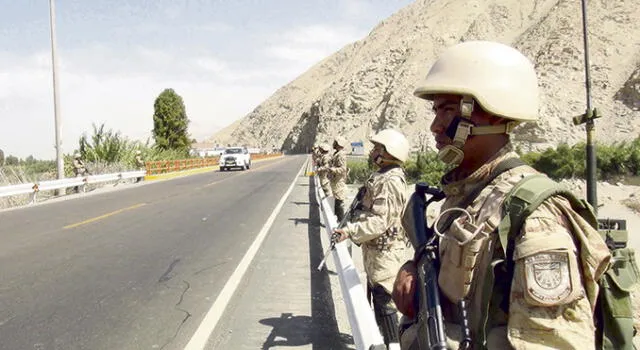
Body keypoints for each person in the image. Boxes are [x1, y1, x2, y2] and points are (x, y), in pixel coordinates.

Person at [392, 41, 611, 349]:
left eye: (448, 110)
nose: (435, 126)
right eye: (436, 111)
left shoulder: (536, 217)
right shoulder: (468, 192)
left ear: (494, 115)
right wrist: (415, 265)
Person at [333, 129, 410, 347]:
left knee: (385, 301)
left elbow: (380, 221)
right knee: (378, 297)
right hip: (376, 250)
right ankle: (383, 341)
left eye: (378, 148)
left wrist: (350, 232)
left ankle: (392, 344)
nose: (373, 151)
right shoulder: (382, 176)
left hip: (385, 252)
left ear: (389, 152)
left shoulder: (390, 180)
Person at [328, 136, 348, 222]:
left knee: (339, 202)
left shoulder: (341, 155)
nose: (334, 144)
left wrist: (333, 169)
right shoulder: (336, 153)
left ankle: (341, 222)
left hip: (339, 181)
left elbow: (343, 169)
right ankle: (337, 220)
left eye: (335, 143)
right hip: (335, 181)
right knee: (336, 201)